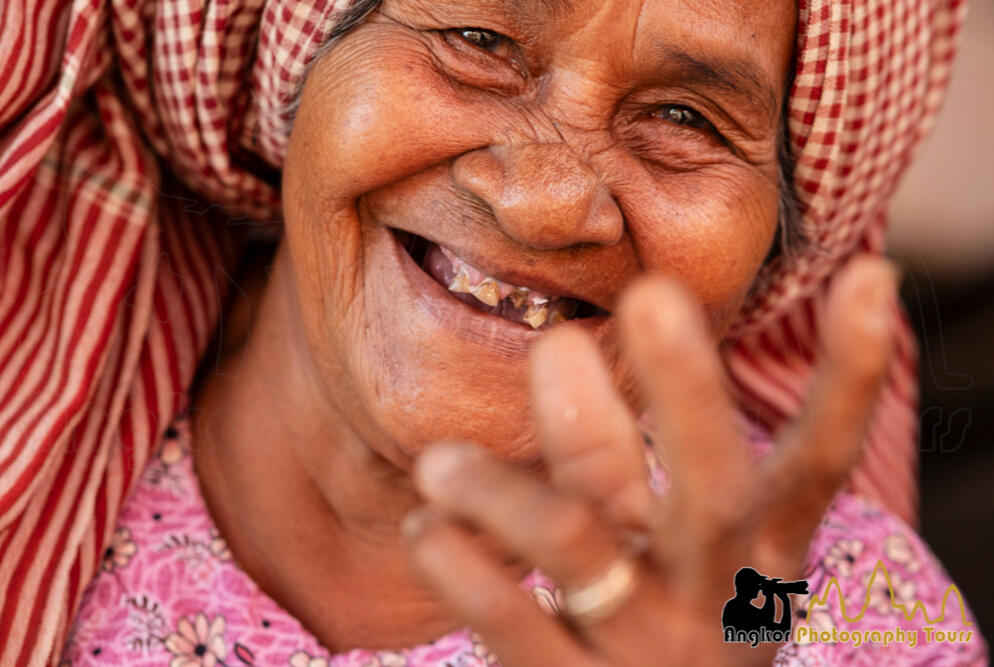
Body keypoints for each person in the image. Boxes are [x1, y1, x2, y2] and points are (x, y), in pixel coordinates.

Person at [0, 0, 986, 665]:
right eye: (476, 38)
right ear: (296, 70)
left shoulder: (827, 608)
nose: (545, 203)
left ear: (777, 240)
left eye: (686, 116)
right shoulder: (30, 447)